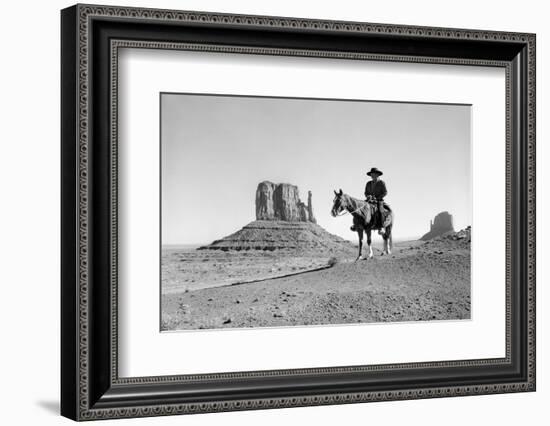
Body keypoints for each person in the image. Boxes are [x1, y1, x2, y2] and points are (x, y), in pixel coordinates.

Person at [364, 167, 388, 235]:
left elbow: (385, 192)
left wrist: (377, 198)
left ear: (377, 175)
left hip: (379, 200)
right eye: (371, 174)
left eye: (374, 174)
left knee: (380, 210)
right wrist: (368, 196)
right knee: (361, 207)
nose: (372, 175)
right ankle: (358, 225)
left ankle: (381, 227)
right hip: (369, 200)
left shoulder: (381, 183)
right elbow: (366, 192)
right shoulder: (368, 183)